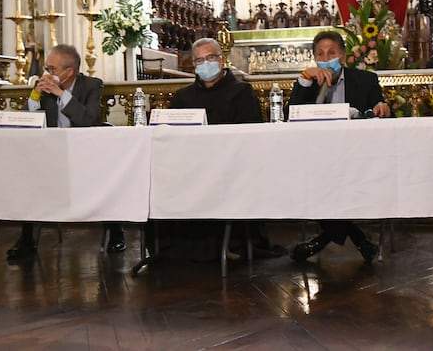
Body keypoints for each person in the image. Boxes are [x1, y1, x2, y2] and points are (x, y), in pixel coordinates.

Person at [162, 38, 279, 261]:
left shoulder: (242, 92)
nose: (205, 64)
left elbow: (251, 135)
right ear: (194, 66)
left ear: (221, 60)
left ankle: (231, 243)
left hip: (230, 169)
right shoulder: (182, 97)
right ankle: (178, 246)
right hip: (191, 169)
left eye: (210, 58)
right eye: (199, 60)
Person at [287, 31, 389, 264]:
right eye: (320, 54)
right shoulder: (307, 80)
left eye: (331, 53)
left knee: (334, 181)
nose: (326, 58)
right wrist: (305, 80)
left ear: (342, 56)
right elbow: (289, 116)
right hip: (315, 157)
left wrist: (382, 107)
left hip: (358, 156)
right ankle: (358, 237)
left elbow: (379, 108)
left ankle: (321, 241)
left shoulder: (365, 80)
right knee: (315, 178)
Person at [6, 44, 108, 260]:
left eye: (51, 69)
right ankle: (27, 238)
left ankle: (115, 230)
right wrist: (35, 95)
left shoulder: (92, 85)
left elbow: (88, 120)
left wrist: (61, 94)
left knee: (108, 177)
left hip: (85, 152)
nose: (47, 74)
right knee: (27, 176)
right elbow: (28, 120)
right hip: (51, 153)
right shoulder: (45, 88)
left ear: (69, 71)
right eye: (46, 68)